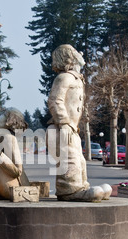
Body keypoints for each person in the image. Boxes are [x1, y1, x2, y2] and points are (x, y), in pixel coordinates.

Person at [46, 44, 111, 201]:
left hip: (70, 128)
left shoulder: (74, 78)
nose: (80, 53)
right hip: (62, 128)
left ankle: (81, 187)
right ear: (69, 57)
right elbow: (55, 100)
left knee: (79, 159)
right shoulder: (64, 77)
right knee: (70, 158)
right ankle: (69, 190)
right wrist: (63, 122)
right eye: (75, 51)